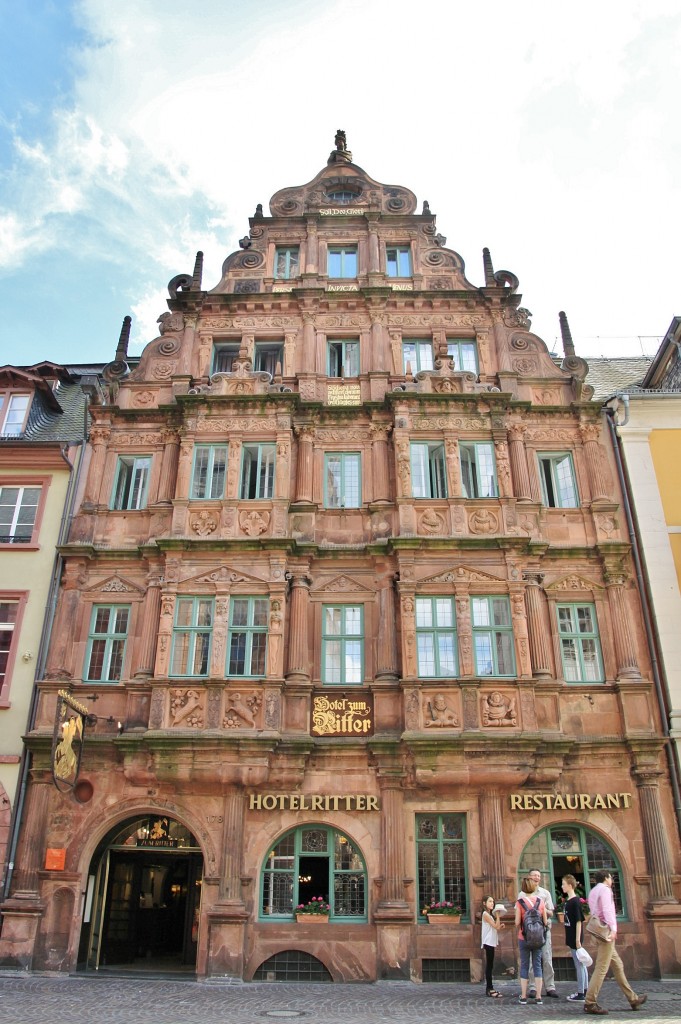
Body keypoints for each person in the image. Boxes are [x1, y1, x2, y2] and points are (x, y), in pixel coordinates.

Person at [583, 870, 647, 1015]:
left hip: (598, 930)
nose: (612, 880)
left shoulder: (593, 891)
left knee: (618, 965)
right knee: (602, 967)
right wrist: (613, 928)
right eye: (611, 877)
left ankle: (633, 999)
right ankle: (590, 1002)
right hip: (605, 931)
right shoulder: (605, 890)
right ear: (606, 878)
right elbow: (608, 910)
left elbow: (594, 910)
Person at [517, 867, 559, 998]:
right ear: (529, 877)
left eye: (539, 876)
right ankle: (533, 987)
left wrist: (542, 911)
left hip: (543, 931)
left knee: (546, 958)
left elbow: (551, 912)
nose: (537, 878)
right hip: (527, 932)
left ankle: (550, 986)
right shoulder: (521, 895)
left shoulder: (545, 893)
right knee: (529, 961)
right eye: (534, 875)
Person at [515, 876, 548, 1005]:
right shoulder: (540, 902)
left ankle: (523, 996)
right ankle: (539, 996)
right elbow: (545, 921)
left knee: (524, 965)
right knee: (537, 965)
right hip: (538, 938)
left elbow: (517, 922)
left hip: (523, 938)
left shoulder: (520, 903)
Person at [561, 874, 588, 1001]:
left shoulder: (575, 902)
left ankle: (581, 992)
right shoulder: (569, 901)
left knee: (579, 965)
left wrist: (577, 939)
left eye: (564, 884)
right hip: (571, 936)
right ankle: (585, 990)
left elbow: (579, 921)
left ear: (570, 885)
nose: (562, 886)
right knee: (581, 964)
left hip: (575, 938)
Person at [481, 895, 505, 998]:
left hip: (491, 941)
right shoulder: (485, 914)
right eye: (490, 901)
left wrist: (500, 925)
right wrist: (498, 916)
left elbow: (496, 927)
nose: (492, 903)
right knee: (489, 966)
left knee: (490, 965)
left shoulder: (490, 915)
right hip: (488, 942)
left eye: (493, 901)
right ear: (484, 903)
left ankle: (490, 988)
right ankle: (489, 988)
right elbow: (495, 926)